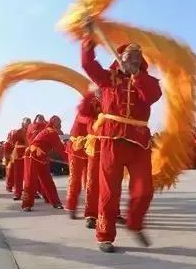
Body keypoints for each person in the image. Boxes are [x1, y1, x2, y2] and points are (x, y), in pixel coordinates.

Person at [81, 34, 162, 253]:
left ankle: (134, 223)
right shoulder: (107, 79)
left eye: (137, 57)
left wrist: (137, 75)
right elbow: (88, 64)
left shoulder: (148, 81)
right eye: (129, 56)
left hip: (139, 142)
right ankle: (104, 236)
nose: (133, 59)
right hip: (111, 140)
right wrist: (89, 39)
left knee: (144, 190)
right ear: (120, 59)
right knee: (109, 193)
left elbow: (152, 97)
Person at [65, 91, 100, 221]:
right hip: (77, 149)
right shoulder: (87, 105)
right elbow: (82, 116)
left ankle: (91, 213)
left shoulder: (104, 104)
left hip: (92, 149)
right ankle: (71, 206)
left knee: (92, 181)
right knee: (75, 179)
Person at [22, 115, 64, 211]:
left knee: (48, 180)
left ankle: (56, 202)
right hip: (32, 155)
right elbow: (61, 149)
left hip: (42, 157)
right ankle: (26, 204)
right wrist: (70, 159)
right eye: (58, 122)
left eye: (60, 122)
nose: (60, 124)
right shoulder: (50, 132)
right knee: (30, 181)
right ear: (53, 123)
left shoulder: (50, 131)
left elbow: (59, 148)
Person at [3, 118, 31, 201]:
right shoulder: (18, 132)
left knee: (30, 175)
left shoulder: (32, 131)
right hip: (18, 155)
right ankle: (17, 193)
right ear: (23, 123)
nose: (28, 124)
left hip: (29, 154)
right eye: (27, 123)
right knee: (18, 175)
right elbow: (11, 142)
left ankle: (32, 192)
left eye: (29, 123)